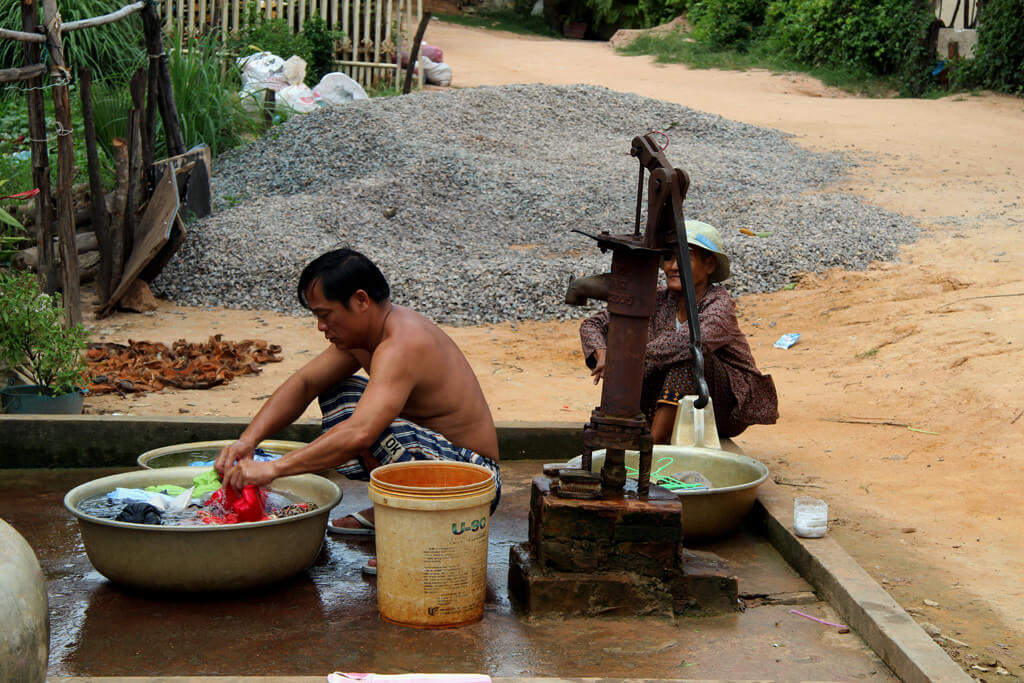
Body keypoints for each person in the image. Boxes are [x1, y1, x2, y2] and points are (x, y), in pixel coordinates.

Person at [215, 248, 501, 536]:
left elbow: (360, 432)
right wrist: (247, 440)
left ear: (361, 300)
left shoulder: (403, 343)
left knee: (365, 427)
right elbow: (305, 383)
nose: (321, 327)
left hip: (475, 480)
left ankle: (415, 531)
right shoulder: (362, 338)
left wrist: (274, 469)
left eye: (326, 315)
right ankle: (394, 513)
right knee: (339, 393)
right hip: (433, 458)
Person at [580, 220, 778, 443]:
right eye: (668, 258)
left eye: (684, 258)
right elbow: (593, 325)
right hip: (668, 398)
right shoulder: (658, 299)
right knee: (649, 364)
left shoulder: (719, 305)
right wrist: (602, 352)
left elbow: (688, 342)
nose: (673, 266)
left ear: (710, 265)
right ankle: (636, 434)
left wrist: (625, 358)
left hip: (723, 408)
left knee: (690, 357)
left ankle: (651, 448)